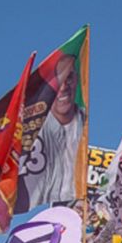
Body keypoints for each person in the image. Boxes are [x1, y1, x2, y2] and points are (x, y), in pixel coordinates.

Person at [18, 52, 85, 211]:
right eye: (57, 82)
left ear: (76, 80)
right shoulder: (32, 130)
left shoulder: (84, 124)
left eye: (69, 78)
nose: (63, 88)